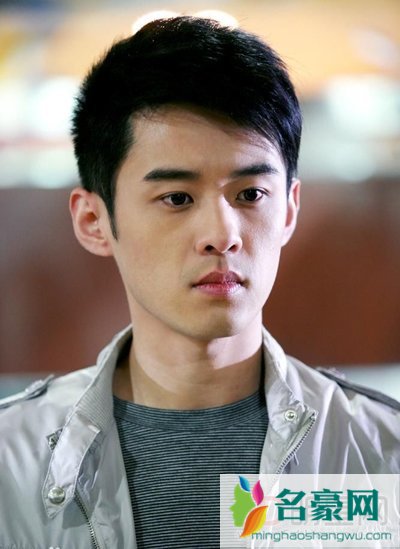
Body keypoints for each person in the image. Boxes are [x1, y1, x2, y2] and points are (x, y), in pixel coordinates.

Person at [0, 15, 399, 549]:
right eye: (177, 198)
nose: (221, 235)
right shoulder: (13, 462)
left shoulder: (378, 453)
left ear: (289, 210)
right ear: (93, 221)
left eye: (250, 194)